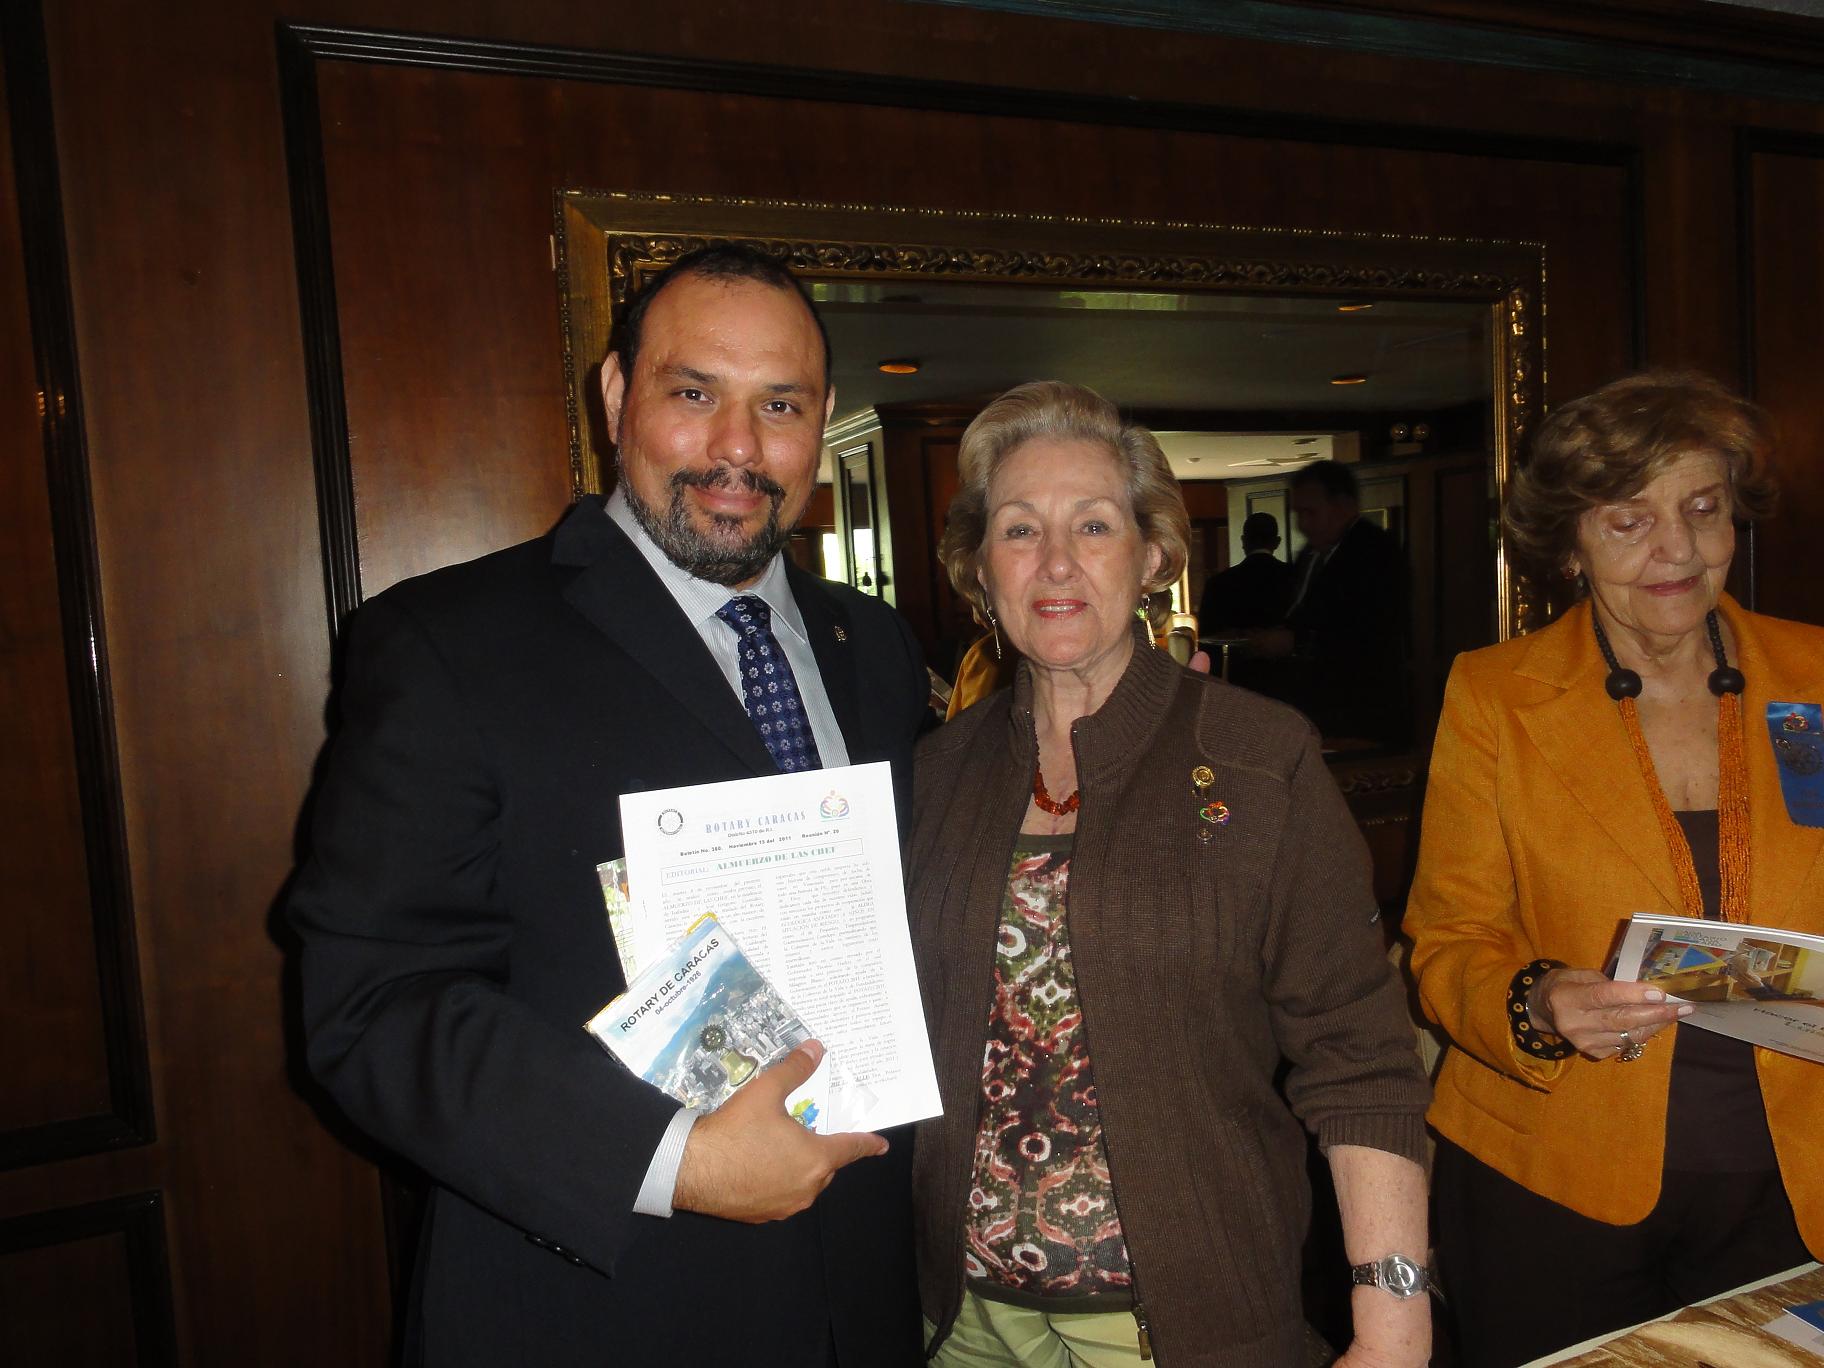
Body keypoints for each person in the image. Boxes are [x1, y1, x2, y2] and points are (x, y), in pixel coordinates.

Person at [286, 245, 930, 1367]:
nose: (739, 447)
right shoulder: (449, 645)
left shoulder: (870, 643)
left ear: (822, 422)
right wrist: (674, 1158)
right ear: (618, 394)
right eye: (695, 393)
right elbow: (374, 1005)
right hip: (604, 1311)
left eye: (780, 405)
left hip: (861, 1298)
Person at [907, 381, 1433, 1367]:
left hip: (1185, 1320)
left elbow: (1358, 1052)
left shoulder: (1259, 757)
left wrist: (1393, 1315)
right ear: (980, 566)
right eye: (1019, 530)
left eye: (1092, 525)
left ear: (1151, 554)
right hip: (962, 1323)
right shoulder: (936, 773)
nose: (1055, 561)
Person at [1403, 370, 1824, 1368]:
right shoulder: (1495, 695)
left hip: (1789, 1174)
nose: (1676, 549)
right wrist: (1538, 1004)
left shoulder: (1814, 677)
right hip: (1553, 1175)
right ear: (1571, 543)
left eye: (1702, 510)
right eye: (1630, 521)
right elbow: (1449, 939)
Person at [1250, 461, 1409, 744]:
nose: (1302, 524)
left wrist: (1296, 641)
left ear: (1343, 506)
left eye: (1310, 512)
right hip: (1315, 706)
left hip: (1359, 709)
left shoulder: (1374, 552)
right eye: (1298, 513)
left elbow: (1371, 629)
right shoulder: (1311, 554)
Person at [1198, 510, 1294, 632]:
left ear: (1244, 541)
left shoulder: (1218, 583)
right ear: (1277, 542)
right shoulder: (1295, 577)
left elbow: (1208, 633)